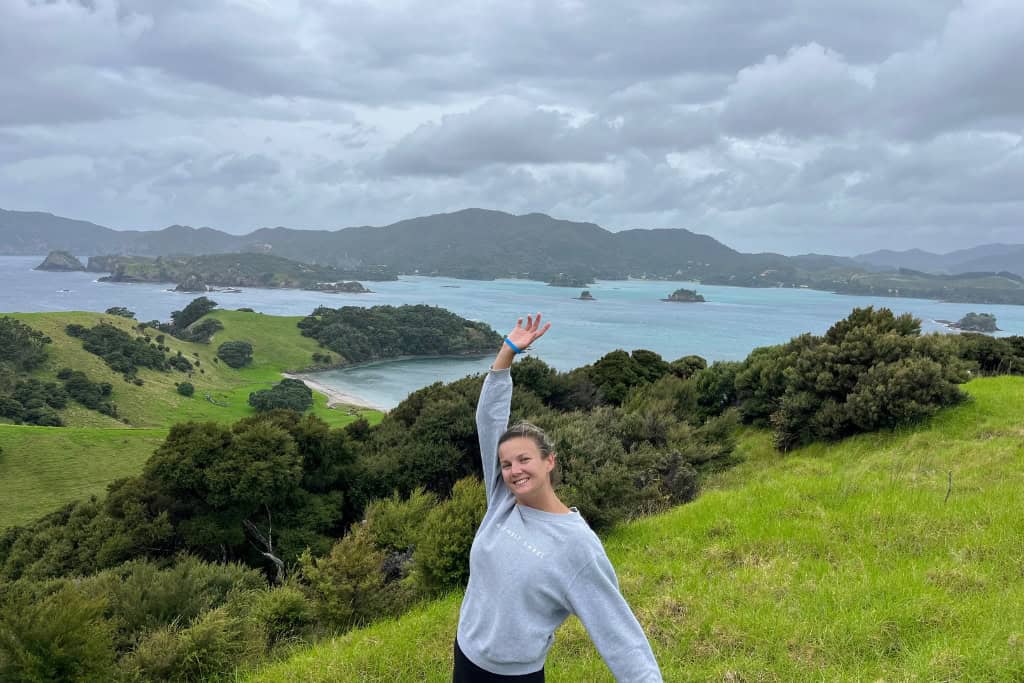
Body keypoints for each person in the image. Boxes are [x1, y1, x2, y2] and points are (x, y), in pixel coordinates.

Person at [454, 313, 663, 682]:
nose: (514, 470)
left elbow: (619, 634)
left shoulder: (577, 545)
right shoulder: (502, 502)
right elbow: (489, 421)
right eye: (506, 464)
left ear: (549, 461)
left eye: (524, 459)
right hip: (466, 657)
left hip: (515, 676)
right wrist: (506, 353)